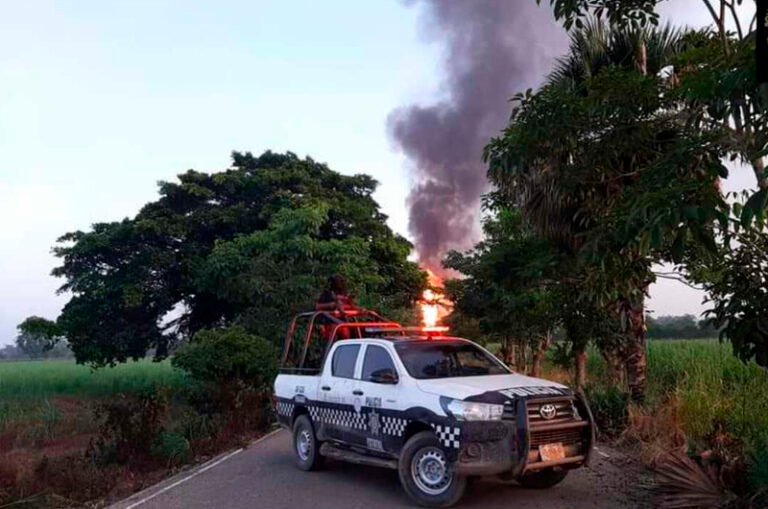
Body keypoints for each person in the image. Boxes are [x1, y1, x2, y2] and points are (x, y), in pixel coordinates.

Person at [315, 275, 357, 341]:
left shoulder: (345, 296)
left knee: (346, 333)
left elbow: (350, 308)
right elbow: (317, 306)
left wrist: (359, 310)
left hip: (343, 323)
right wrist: (331, 305)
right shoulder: (327, 294)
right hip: (330, 323)